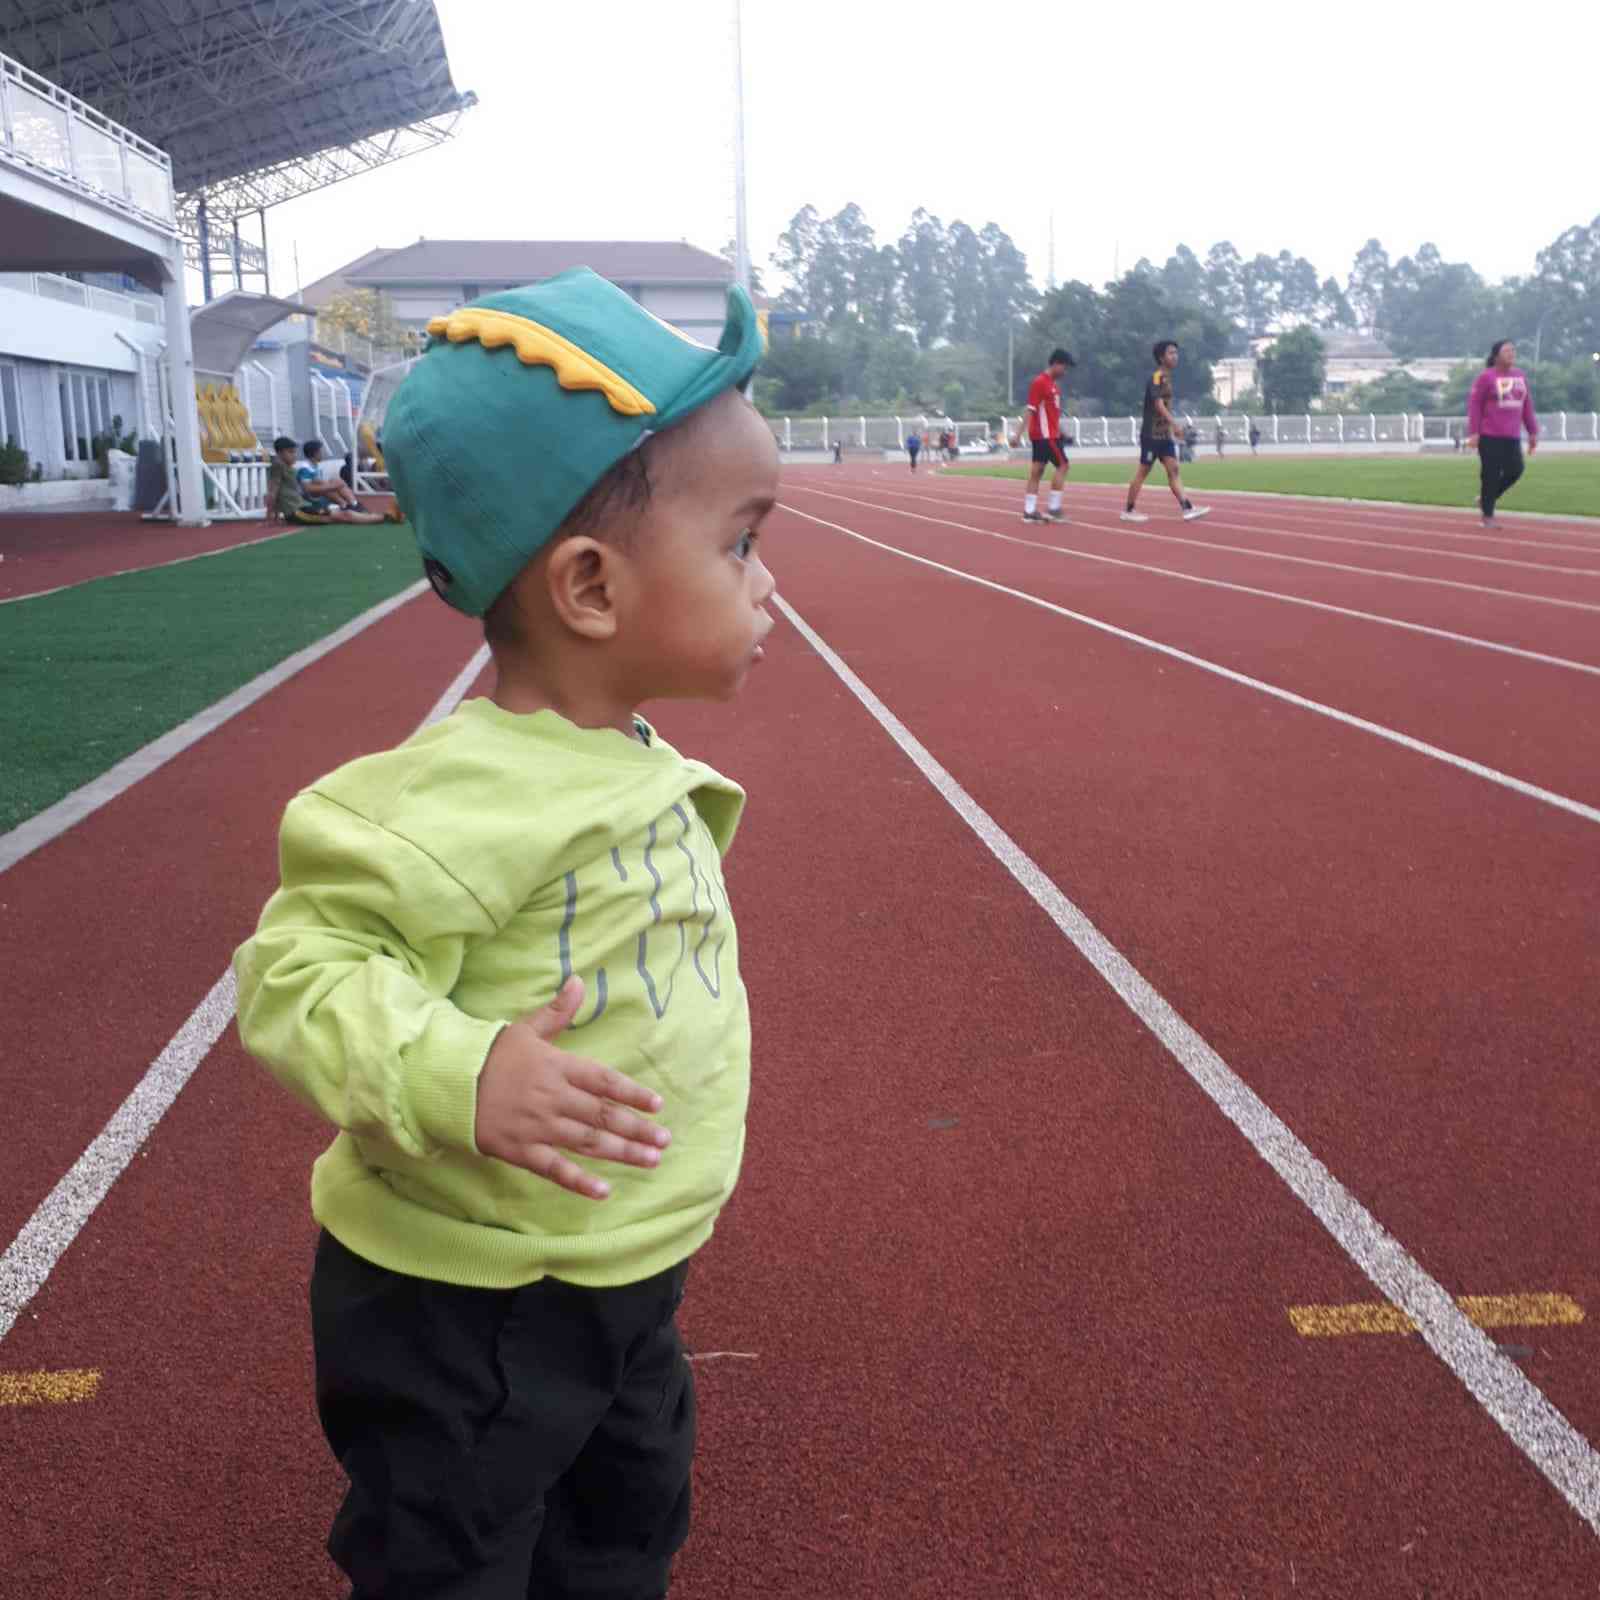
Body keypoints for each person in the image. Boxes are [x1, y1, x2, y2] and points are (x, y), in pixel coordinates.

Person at [234, 267, 776, 1599]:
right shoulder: (452, 802)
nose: (770, 582)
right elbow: (295, 974)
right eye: (742, 543)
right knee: (455, 1558)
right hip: (468, 1308)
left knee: (621, 1529)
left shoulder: (622, 756)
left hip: (620, 1266)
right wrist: (461, 1073)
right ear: (590, 588)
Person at [1121, 340, 1209, 523]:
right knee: (1143, 472)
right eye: (1170, 353)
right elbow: (1158, 404)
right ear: (1161, 357)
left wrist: (1170, 428)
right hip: (1151, 434)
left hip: (1164, 435)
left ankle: (1187, 507)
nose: (1175, 356)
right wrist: (1174, 424)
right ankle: (1128, 510)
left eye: (1176, 352)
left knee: (1174, 469)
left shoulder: (1167, 378)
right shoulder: (1157, 377)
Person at [1466, 338, 1539, 527]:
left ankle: (1485, 498)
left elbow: (1527, 406)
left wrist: (1533, 432)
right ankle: (1488, 515)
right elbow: (1475, 405)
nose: (1512, 354)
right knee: (1490, 474)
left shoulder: (1520, 376)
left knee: (1516, 470)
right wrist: (1474, 432)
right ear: (1496, 356)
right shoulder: (1486, 377)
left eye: (1513, 351)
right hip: (1490, 435)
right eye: (1507, 351)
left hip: (1512, 436)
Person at [266, 436, 383, 524]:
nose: (295, 455)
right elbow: (273, 492)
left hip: (303, 507)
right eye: (290, 452)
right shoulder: (278, 466)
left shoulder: (287, 467)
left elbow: (280, 491)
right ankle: (382, 517)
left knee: (341, 514)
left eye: (295, 452)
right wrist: (270, 516)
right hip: (297, 511)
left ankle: (363, 510)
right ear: (280, 453)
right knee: (344, 515)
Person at [1021, 347, 1074, 522]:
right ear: (1056, 363)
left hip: (1046, 434)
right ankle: (1054, 508)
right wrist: (1017, 435)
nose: (1065, 372)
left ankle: (1029, 512)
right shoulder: (1040, 382)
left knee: (1037, 471)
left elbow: (1053, 416)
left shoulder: (1053, 387)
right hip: (1046, 436)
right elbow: (1030, 409)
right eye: (1065, 368)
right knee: (1063, 466)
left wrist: (1064, 433)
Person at [297, 437, 366, 511]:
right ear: (315, 453)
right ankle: (344, 504)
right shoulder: (304, 468)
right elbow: (308, 489)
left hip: (318, 493)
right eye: (321, 451)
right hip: (309, 497)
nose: (323, 453)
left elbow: (321, 482)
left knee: (335, 481)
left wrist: (334, 485)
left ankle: (353, 504)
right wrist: (331, 486)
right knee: (328, 486)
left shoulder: (315, 466)